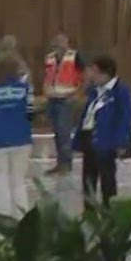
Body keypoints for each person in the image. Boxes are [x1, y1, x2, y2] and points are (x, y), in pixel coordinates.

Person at [0, 53, 36, 219]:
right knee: (19, 181)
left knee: (1, 180)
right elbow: (31, 112)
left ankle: (4, 221)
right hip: (21, 139)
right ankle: (23, 219)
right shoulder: (25, 88)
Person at [74, 55, 131, 205]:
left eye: (93, 71)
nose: (90, 74)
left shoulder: (120, 91)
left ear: (104, 73)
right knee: (88, 182)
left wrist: (121, 142)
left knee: (107, 182)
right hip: (89, 139)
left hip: (107, 141)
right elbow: (87, 114)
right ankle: (89, 215)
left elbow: (125, 118)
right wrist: (78, 139)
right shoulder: (94, 91)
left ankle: (109, 215)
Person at [41, 33, 83, 176]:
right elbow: (48, 76)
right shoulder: (50, 57)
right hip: (52, 98)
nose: (59, 43)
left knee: (64, 132)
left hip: (67, 98)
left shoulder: (74, 56)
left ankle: (66, 163)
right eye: (57, 41)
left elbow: (83, 74)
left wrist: (78, 93)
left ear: (67, 42)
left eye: (62, 41)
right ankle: (60, 162)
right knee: (57, 133)